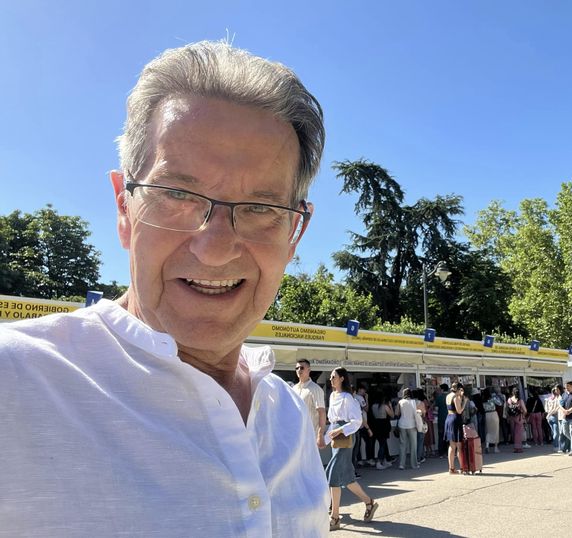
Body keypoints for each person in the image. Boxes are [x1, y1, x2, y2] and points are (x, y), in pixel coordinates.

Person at [0, 41, 329, 536]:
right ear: (123, 208)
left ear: (295, 233)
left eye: (261, 207)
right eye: (177, 193)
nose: (216, 247)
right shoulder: (17, 384)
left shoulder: (286, 416)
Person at [325, 368, 378, 531]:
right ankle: (369, 502)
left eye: (333, 377)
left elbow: (357, 421)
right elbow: (332, 421)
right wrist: (324, 439)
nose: (331, 379)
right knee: (347, 478)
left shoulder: (348, 398)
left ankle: (334, 517)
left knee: (332, 474)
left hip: (345, 436)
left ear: (341, 378)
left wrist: (340, 430)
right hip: (336, 435)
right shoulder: (333, 395)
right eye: (330, 377)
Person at [293, 359, 326, 449]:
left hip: (310, 437)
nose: (299, 370)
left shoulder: (315, 389)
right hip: (296, 435)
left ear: (309, 370)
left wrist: (320, 435)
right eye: (297, 368)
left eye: (302, 367)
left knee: (310, 462)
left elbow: (322, 412)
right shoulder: (294, 389)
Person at [444, 382, 466, 473]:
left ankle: (451, 468)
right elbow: (459, 411)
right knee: (459, 445)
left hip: (449, 418)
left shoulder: (448, 396)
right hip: (455, 420)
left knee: (451, 445)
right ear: (458, 389)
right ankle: (462, 467)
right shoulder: (456, 397)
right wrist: (464, 402)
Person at [396, 388, 419, 470]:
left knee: (402, 445)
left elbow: (397, 413)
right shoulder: (414, 402)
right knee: (413, 445)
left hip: (402, 424)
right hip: (412, 424)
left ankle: (401, 464)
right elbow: (416, 413)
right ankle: (414, 464)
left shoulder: (400, 402)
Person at [370, 392, 395, 470]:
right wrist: (390, 406)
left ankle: (385, 460)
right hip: (384, 425)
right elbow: (392, 415)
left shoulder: (373, 406)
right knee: (382, 444)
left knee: (382, 443)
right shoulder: (385, 406)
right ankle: (379, 461)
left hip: (376, 425)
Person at [506, 387, 528, 453]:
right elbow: (525, 410)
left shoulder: (509, 400)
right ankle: (518, 448)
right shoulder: (520, 400)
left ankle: (515, 447)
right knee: (518, 433)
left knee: (513, 433)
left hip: (512, 418)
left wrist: (508, 417)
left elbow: (507, 409)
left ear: (512, 392)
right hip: (519, 418)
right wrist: (523, 416)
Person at [545, 384, 564, 453]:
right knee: (557, 432)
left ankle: (556, 446)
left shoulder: (548, 399)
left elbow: (546, 409)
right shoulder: (557, 399)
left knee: (553, 432)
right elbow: (557, 408)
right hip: (555, 416)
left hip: (548, 417)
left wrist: (548, 414)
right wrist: (552, 413)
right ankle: (556, 446)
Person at [482, 387, 500, 453]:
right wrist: (496, 395)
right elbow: (500, 403)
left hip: (487, 414)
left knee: (488, 431)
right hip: (493, 413)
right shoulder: (492, 398)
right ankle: (496, 447)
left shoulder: (483, 400)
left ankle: (487, 446)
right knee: (496, 430)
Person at [435, 383, 450, 457]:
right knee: (449, 436)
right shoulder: (451, 397)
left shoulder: (439, 398)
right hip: (449, 419)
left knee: (441, 436)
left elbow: (436, 409)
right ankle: (449, 452)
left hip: (441, 419)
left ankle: (441, 453)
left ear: (442, 389)